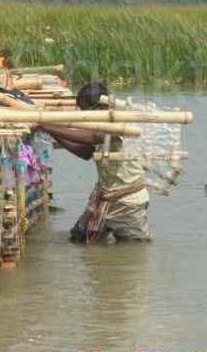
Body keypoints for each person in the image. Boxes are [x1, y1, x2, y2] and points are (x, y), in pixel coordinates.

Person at [42, 82, 154, 243]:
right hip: (105, 197)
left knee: (134, 248)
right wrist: (52, 132)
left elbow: (92, 138)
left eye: (84, 110)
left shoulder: (119, 123)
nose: (82, 115)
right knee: (79, 237)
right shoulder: (100, 125)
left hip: (127, 202)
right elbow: (86, 152)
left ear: (99, 108)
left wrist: (48, 127)